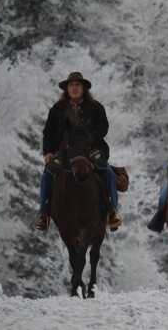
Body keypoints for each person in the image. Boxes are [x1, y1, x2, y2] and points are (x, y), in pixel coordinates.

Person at [34, 72, 122, 231]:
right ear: (66, 89)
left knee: (107, 172)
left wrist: (89, 138)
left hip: (91, 149)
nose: (74, 88)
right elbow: (48, 132)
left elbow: (103, 128)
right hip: (64, 151)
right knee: (47, 173)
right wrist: (48, 152)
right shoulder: (57, 109)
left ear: (83, 88)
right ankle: (43, 214)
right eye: (71, 85)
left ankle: (113, 212)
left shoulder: (95, 107)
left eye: (77, 85)